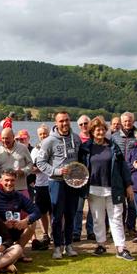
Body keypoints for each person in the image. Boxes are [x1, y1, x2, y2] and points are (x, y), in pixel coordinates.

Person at [80, 117, 136, 261]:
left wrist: (128, 185)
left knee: (116, 217)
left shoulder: (113, 146)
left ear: (106, 130)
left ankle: (121, 248)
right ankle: (101, 245)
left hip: (114, 188)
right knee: (98, 219)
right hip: (93, 189)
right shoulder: (86, 148)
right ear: (92, 131)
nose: (100, 132)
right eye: (97, 129)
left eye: (102, 129)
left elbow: (123, 166)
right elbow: (80, 168)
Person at [36, 110, 83, 259]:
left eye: (67, 120)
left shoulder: (76, 138)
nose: (64, 123)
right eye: (61, 121)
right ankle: (57, 247)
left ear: (70, 121)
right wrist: (56, 171)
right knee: (57, 215)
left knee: (71, 214)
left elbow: (81, 160)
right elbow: (40, 163)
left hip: (73, 183)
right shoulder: (49, 141)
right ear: (56, 123)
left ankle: (68, 245)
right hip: (56, 183)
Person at [0, 170, 41, 261]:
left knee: (32, 223)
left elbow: (37, 212)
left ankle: (18, 251)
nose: (9, 183)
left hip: (15, 229)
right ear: (0, 181)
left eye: (12, 180)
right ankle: (8, 253)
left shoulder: (18, 196)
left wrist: (25, 221)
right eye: (6, 180)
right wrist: (2, 224)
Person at [112, 112, 137, 236]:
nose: (127, 123)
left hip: (133, 173)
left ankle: (131, 227)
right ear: (121, 122)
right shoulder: (114, 137)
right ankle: (120, 228)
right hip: (118, 174)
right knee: (120, 204)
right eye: (125, 121)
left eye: (129, 121)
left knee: (132, 203)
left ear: (133, 122)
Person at [30, 124, 52, 249]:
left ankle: (56, 232)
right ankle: (45, 234)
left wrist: (44, 167)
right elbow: (33, 168)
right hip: (41, 185)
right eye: (41, 134)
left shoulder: (54, 147)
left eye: (45, 133)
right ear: (38, 136)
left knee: (55, 211)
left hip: (54, 182)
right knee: (42, 212)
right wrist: (42, 167)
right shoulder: (35, 150)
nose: (43, 136)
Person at [0, 128, 33, 197]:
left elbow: (30, 164)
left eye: (7, 138)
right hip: (3, 190)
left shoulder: (23, 148)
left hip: (20, 188)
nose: (4, 141)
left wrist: (23, 171)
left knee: (24, 207)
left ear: (13, 137)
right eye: (2, 138)